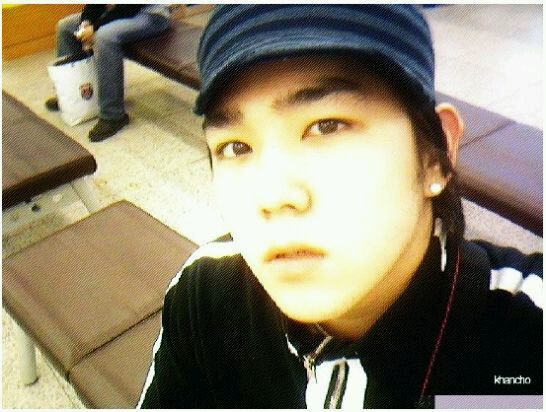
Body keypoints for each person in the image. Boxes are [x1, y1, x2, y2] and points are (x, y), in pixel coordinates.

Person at [138, 5, 542, 408]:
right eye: (235, 147)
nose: (273, 197)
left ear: (436, 156)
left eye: (326, 126)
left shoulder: (526, 339)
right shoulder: (206, 295)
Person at [45, 5, 171, 142]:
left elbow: (129, 8)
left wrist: (95, 28)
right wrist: (86, 22)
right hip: (117, 13)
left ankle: (113, 115)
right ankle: (70, 94)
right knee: (65, 26)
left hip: (151, 15)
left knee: (104, 37)